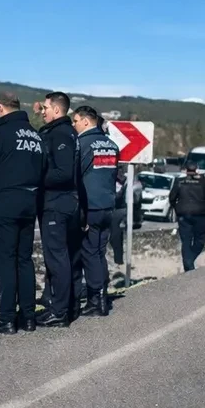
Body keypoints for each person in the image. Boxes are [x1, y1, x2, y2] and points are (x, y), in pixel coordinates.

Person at [0, 93, 43, 334]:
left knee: (4, 262)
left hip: (4, 204)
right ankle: (29, 316)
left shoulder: (0, 133)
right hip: (30, 203)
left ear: (0, 107)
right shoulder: (35, 134)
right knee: (24, 260)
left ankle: (7, 319)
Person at [34, 92, 80, 327]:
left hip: (57, 204)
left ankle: (60, 311)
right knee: (65, 258)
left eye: (45, 108)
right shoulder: (59, 131)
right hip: (63, 203)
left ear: (57, 110)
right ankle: (63, 306)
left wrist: (36, 177)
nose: (42, 111)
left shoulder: (61, 134)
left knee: (57, 259)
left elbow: (63, 173)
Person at [72, 106, 119, 317]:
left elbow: (76, 175)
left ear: (85, 121)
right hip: (108, 205)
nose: (73, 125)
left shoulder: (82, 144)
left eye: (75, 121)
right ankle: (102, 295)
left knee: (89, 253)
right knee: (99, 252)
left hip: (90, 206)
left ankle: (95, 301)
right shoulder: (111, 145)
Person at [168, 162, 205, 271]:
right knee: (198, 242)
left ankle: (188, 263)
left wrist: (177, 209)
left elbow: (172, 198)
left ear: (186, 170)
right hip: (198, 216)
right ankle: (189, 265)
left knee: (186, 241)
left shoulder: (180, 181)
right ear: (197, 170)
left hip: (186, 216)